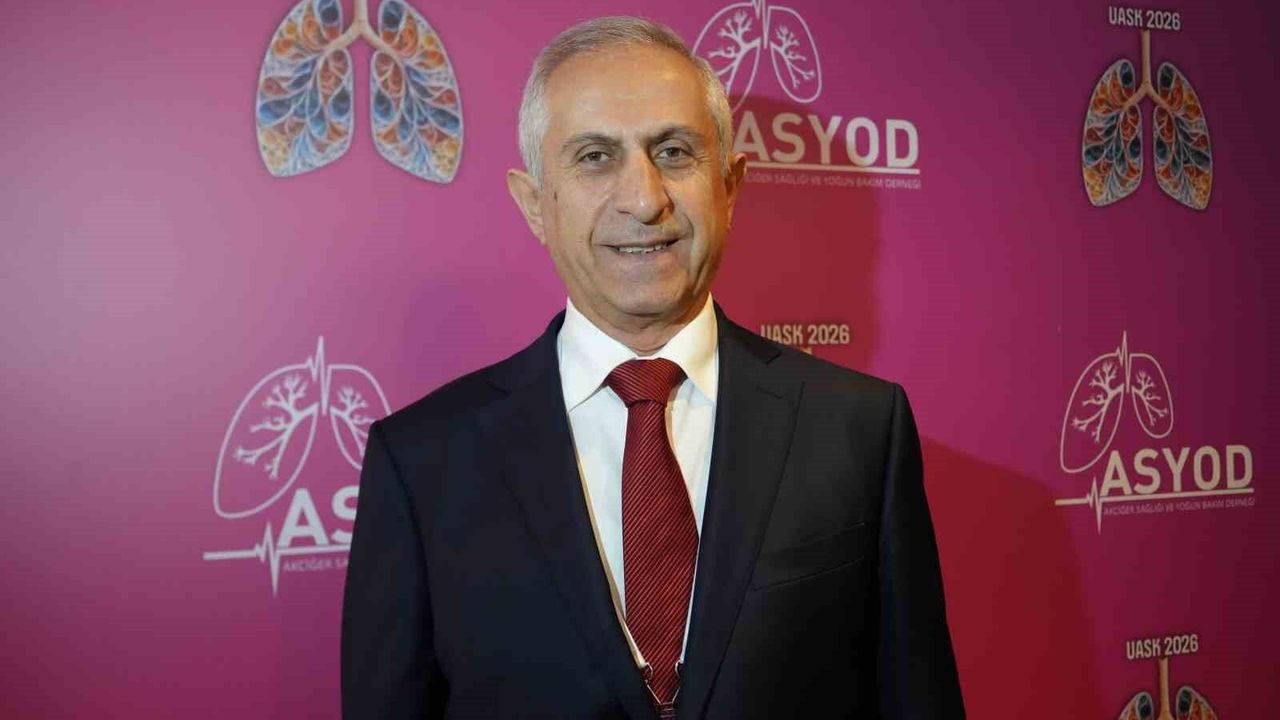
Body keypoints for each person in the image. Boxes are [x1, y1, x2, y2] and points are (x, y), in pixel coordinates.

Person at [341, 16, 964, 719]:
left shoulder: (859, 429)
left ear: (730, 187)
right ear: (534, 204)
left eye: (673, 151)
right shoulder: (421, 461)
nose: (644, 199)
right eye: (595, 157)